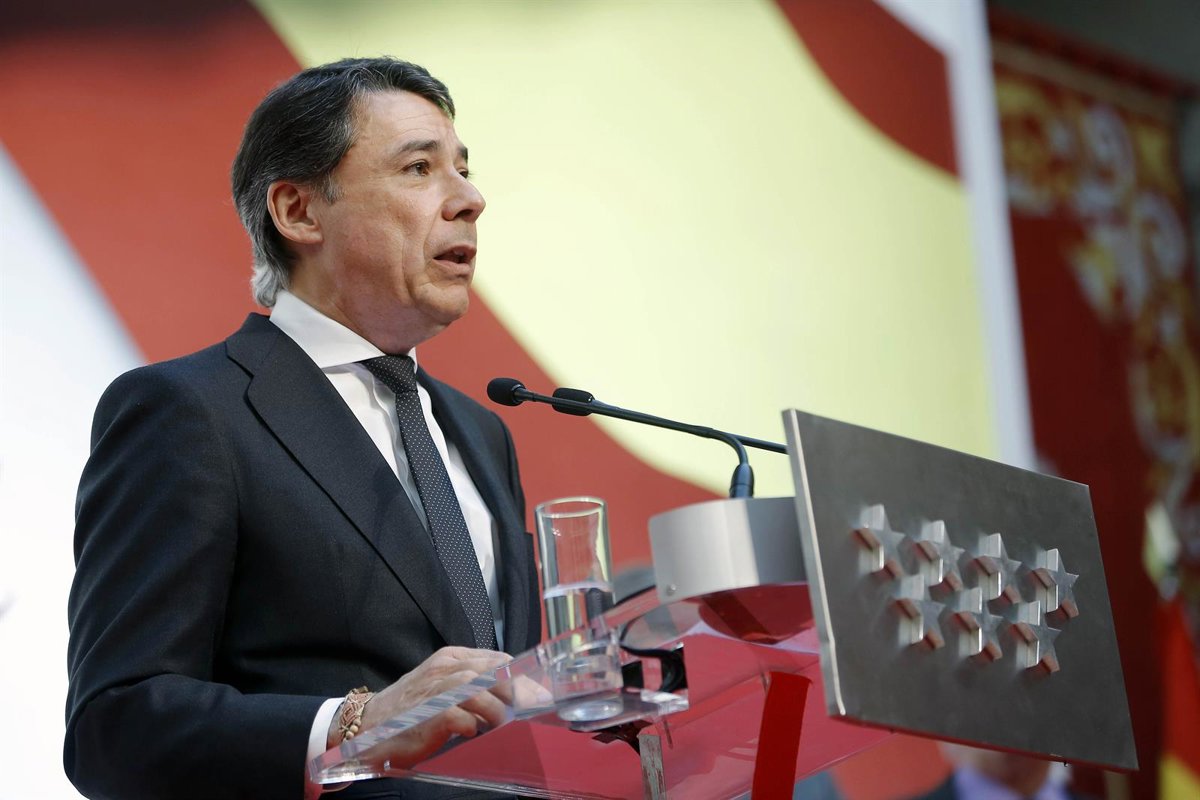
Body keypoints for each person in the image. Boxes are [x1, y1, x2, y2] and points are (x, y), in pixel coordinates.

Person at [64, 57, 540, 800]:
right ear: (298, 212)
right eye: (419, 168)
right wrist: (358, 724)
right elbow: (114, 729)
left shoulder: (482, 433)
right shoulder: (190, 411)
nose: (470, 199)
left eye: (464, 170)